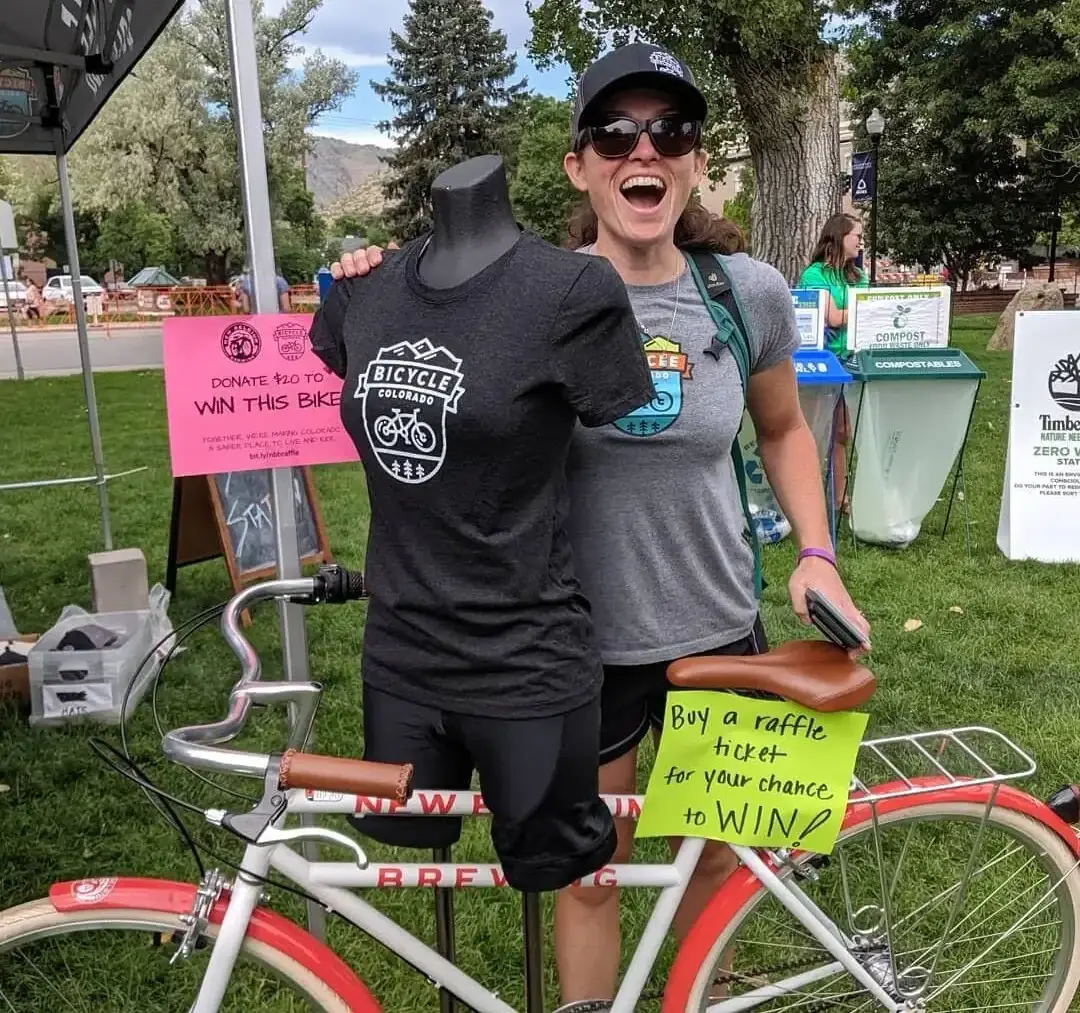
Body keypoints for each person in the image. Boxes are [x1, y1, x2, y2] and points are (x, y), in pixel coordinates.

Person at [328, 42, 870, 1013]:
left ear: (698, 159)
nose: (643, 149)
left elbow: (784, 429)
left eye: (671, 130)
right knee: (593, 865)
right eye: (615, 132)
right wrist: (371, 279)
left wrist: (816, 554)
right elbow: (411, 349)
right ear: (580, 163)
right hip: (579, 644)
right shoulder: (523, 296)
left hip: (717, 624)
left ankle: (696, 991)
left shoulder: (746, 291)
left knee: (717, 856)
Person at [309, 154, 658, 897]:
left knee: (552, 873)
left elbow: (619, 410)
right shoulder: (363, 291)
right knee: (415, 854)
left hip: (525, 663)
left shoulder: (572, 291)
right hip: (400, 656)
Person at [798, 213, 870, 514]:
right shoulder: (814, 275)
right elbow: (833, 318)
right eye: (857, 236)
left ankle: (841, 499)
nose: (861, 242)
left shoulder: (859, 277)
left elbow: (857, 316)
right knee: (812, 433)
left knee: (842, 432)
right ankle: (806, 500)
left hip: (853, 362)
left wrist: (854, 310)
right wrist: (863, 308)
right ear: (840, 237)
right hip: (821, 366)